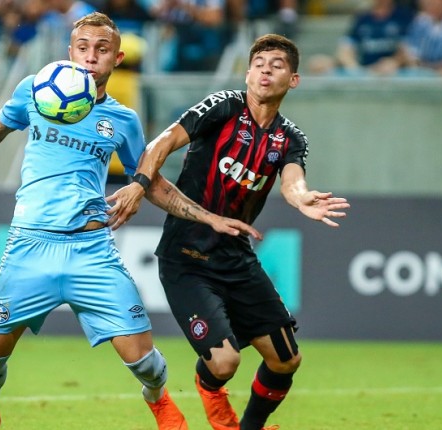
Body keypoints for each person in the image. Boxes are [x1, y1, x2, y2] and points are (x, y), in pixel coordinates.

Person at [0, 11, 252, 430]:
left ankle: (159, 401)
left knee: (145, 362)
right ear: (70, 52)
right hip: (30, 245)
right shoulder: (37, 91)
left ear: (117, 58)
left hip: (90, 250)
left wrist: (209, 218)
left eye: (102, 49)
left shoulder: (123, 120)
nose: (91, 56)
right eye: (83, 47)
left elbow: (149, 181)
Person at [108, 33, 350, 430]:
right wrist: (139, 183)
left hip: (236, 258)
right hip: (186, 257)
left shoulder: (290, 138)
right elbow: (163, 142)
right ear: (248, 73)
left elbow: (292, 181)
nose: (266, 71)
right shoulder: (223, 106)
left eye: (277, 65)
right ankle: (210, 388)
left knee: (286, 359)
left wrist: (302, 198)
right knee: (224, 363)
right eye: (259, 64)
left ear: (293, 80)